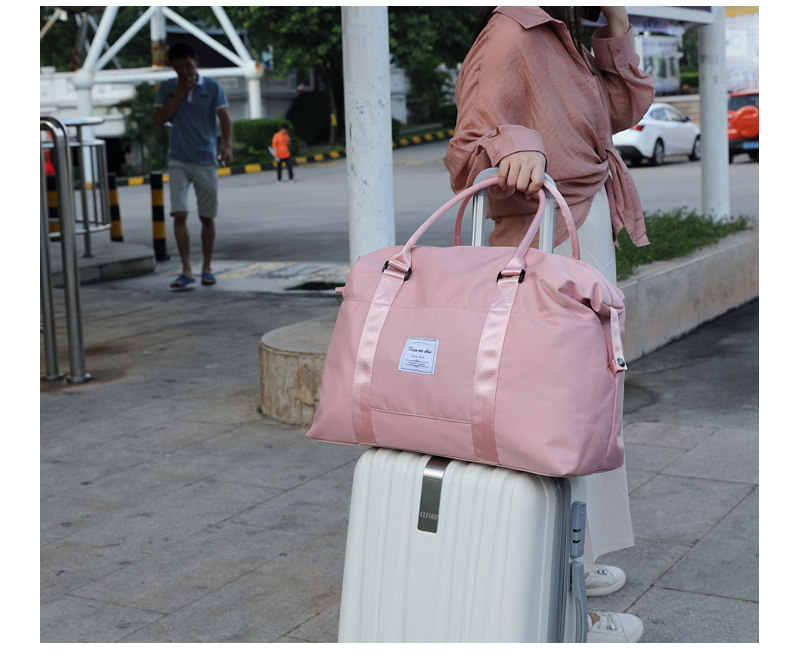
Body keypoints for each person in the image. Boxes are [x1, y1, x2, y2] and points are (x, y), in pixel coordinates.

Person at [444, 6, 654, 643]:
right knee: (555, 421)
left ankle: (578, 560)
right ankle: (567, 615)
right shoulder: (514, 32)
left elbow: (621, 111)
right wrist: (514, 146)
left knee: (588, 412)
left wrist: (614, 21)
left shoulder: (562, 35)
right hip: (543, 245)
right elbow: (468, 150)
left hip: (578, 234)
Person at [153, 42, 233, 289]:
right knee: (179, 214)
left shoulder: (212, 87)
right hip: (178, 158)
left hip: (205, 159)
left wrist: (228, 146)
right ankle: (186, 269)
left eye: (187, 65)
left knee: (206, 217)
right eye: (178, 68)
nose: (184, 71)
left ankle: (207, 268)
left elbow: (224, 118)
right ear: (172, 67)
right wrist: (178, 94)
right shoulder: (167, 87)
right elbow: (158, 119)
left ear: (196, 61)